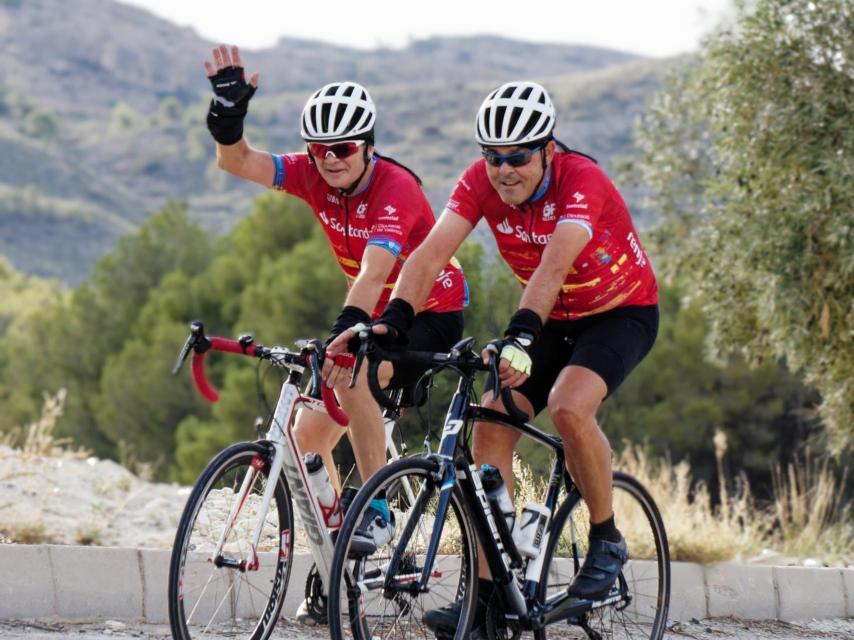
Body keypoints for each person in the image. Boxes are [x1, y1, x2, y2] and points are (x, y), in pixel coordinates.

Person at [328, 80, 659, 635]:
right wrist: (393, 322)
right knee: (490, 428)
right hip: (554, 317)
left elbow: (552, 269)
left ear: (548, 149)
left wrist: (521, 338)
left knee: (569, 405)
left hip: (619, 312)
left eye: (519, 157)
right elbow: (431, 253)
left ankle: (606, 539)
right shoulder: (480, 182)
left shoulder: (583, 182)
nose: (505, 169)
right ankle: (488, 600)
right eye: (494, 157)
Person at [202, 44, 468, 558]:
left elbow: (373, 275)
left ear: (368, 146)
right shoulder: (311, 172)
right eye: (319, 148)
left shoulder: (397, 188)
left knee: (356, 375)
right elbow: (235, 161)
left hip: (428, 311)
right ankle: (338, 557)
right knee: (304, 443)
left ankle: (377, 508)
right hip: (368, 312)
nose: (329, 159)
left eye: (343, 148)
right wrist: (227, 117)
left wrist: (342, 335)